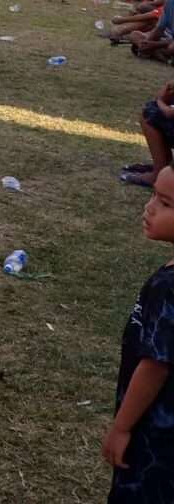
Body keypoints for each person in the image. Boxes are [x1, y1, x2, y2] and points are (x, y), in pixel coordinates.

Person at [100, 164, 174, 501]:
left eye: (166, 203)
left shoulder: (169, 289)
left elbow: (156, 365)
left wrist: (121, 427)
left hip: (155, 435)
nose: (150, 207)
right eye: (154, 196)